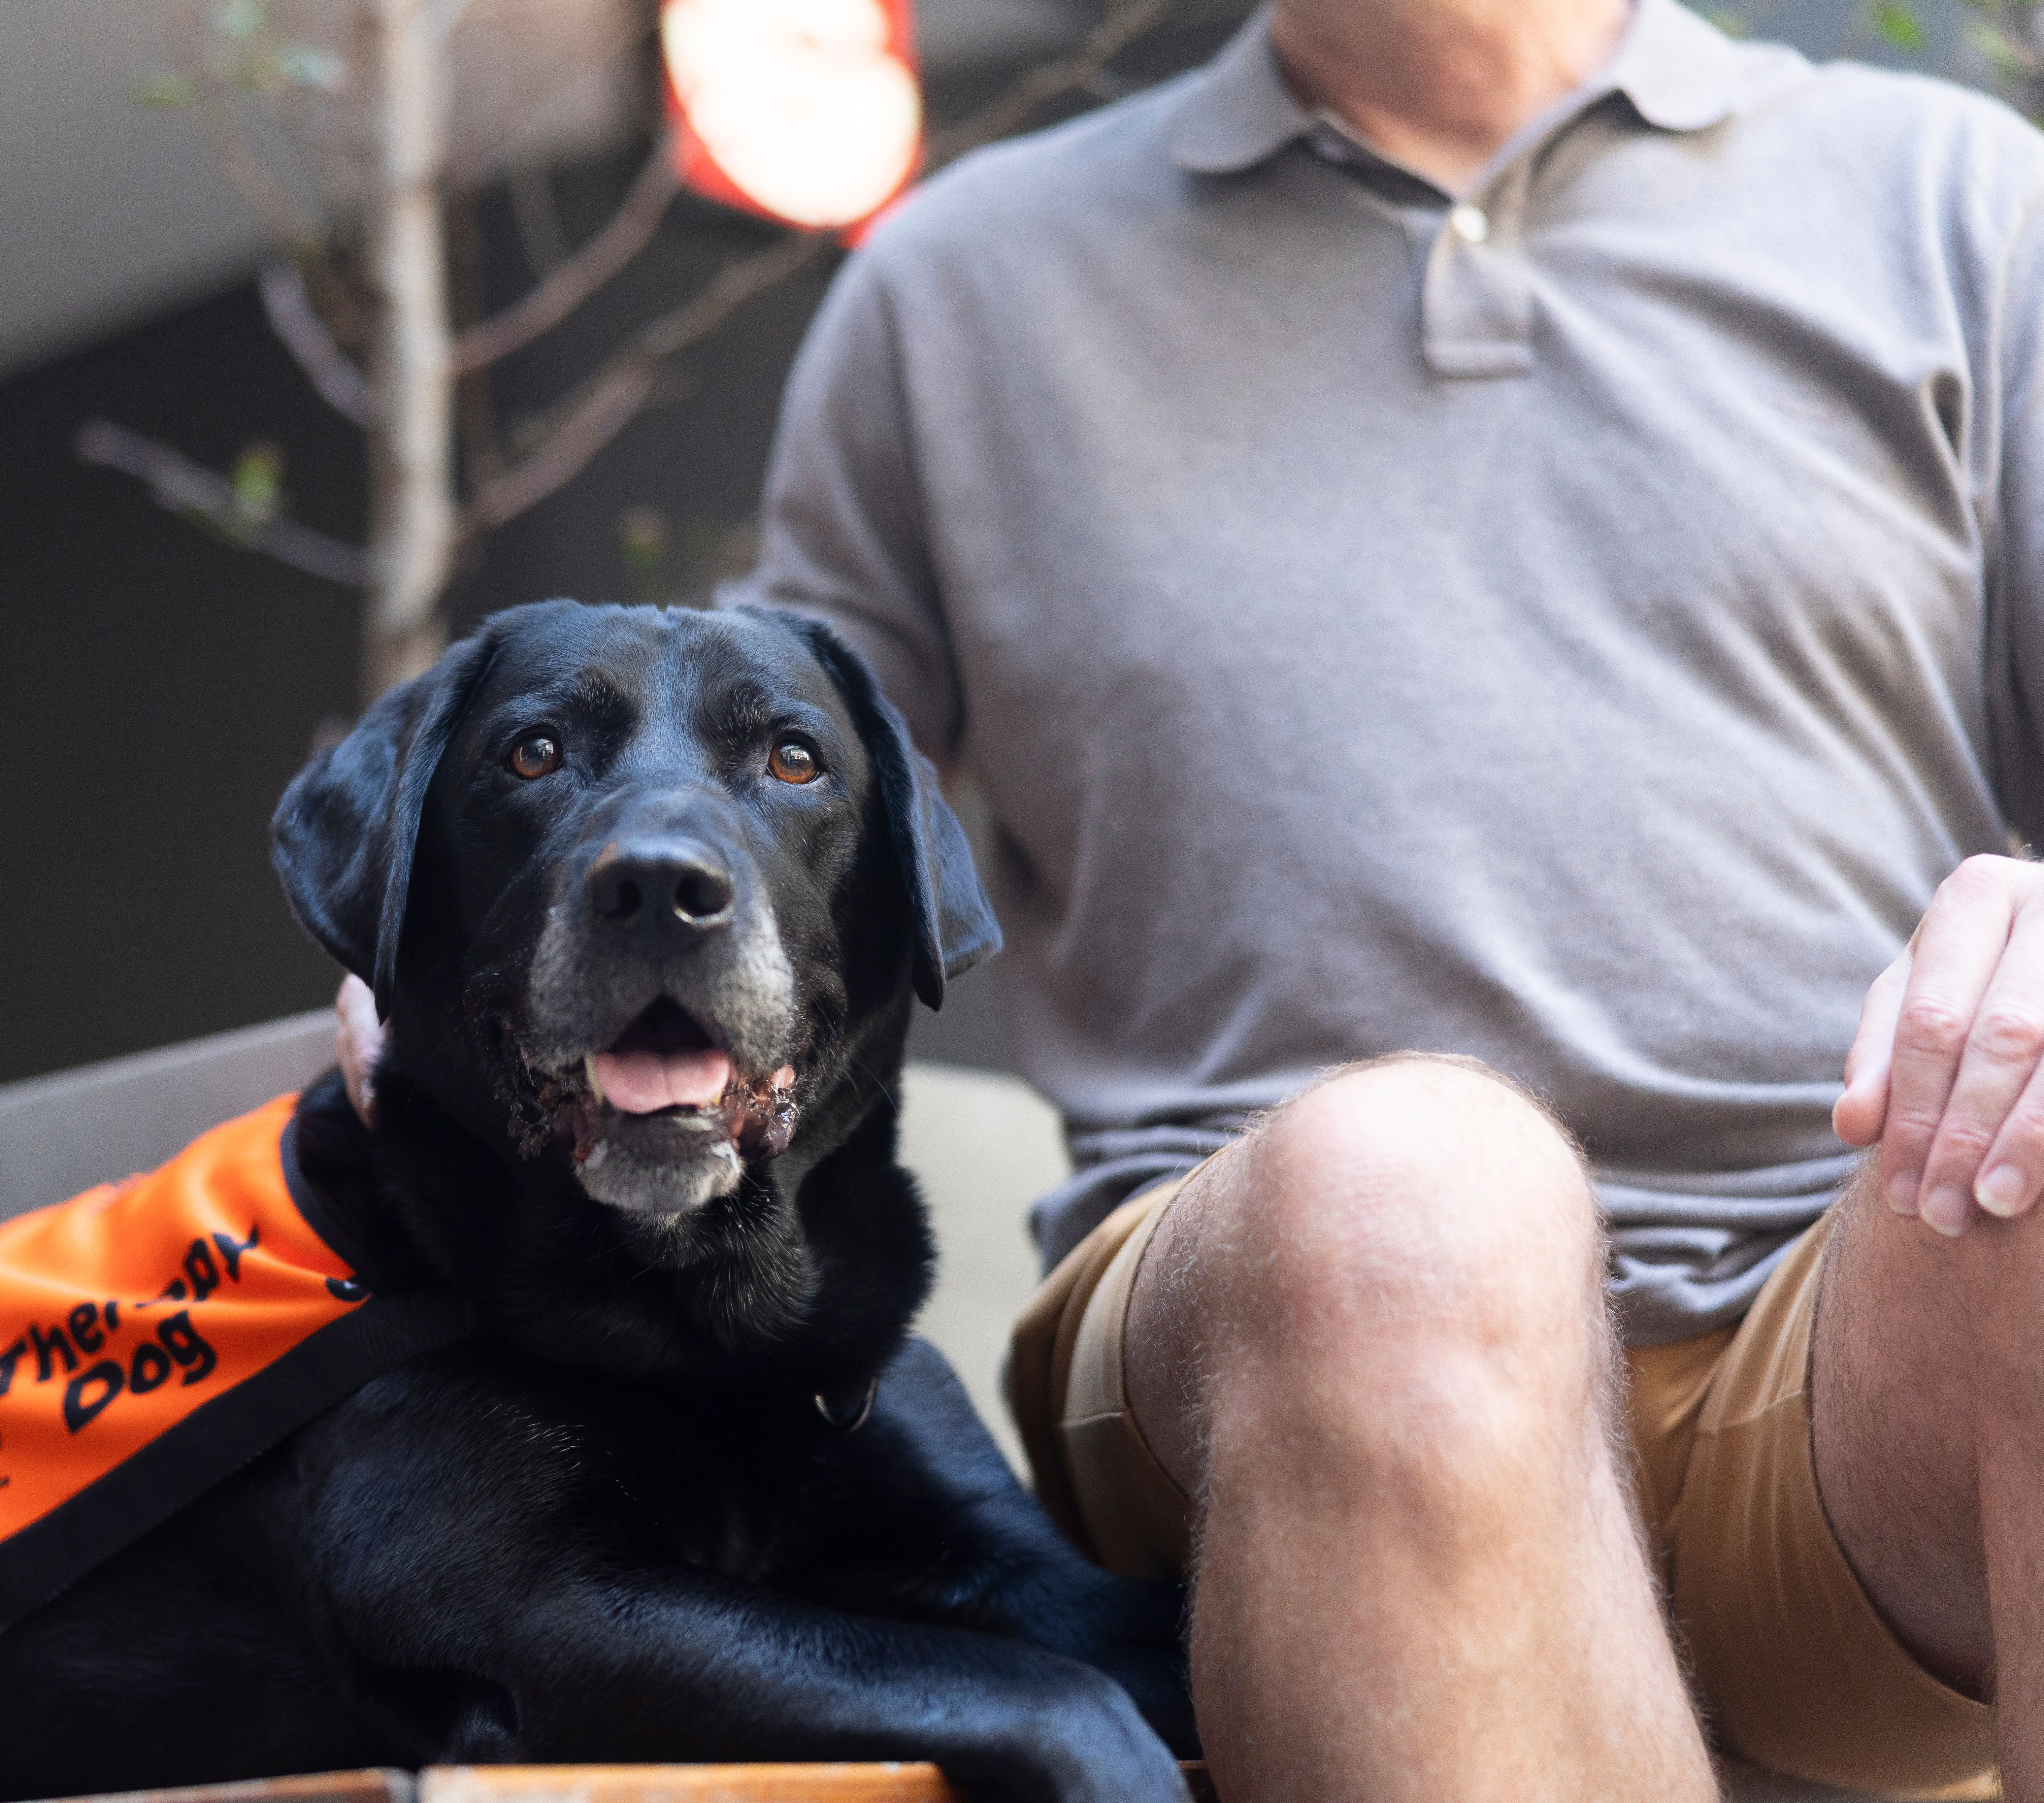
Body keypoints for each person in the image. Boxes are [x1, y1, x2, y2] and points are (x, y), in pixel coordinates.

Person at [662, 0, 2044, 1793]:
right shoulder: (956, 291)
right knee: (1413, 1201)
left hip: (1857, 1344)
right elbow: (758, 805)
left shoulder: (1961, 200)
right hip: (1268, 1338)